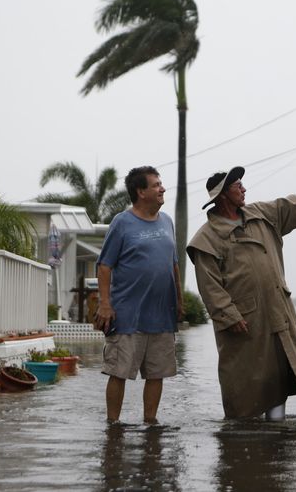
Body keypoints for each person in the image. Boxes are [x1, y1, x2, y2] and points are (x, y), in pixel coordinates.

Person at [186, 166, 296, 420]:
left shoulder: (262, 214)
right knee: (244, 383)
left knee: (278, 376)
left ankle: (276, 431)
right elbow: (209, 285)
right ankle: (242, 434)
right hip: (244, 322)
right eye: (238, 186)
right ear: (222, 195)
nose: (244, 189)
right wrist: (228, 316)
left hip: (278, 313)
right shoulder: (206, 238)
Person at [94, 166, 184, 424]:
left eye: (161, 184)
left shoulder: (167, 221)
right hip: (127, 314)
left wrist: (179, 301)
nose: (162, 188)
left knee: (157, 373)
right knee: (118, 372)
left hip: (162, 315)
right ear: (141, 192)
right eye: (156, 185)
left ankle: (150, 423)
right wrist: (105, 304)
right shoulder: (122, 223)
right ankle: (113, 425)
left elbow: (174, 264)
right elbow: (104, 265)